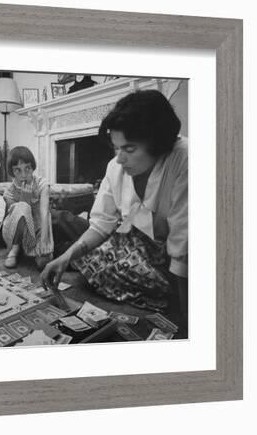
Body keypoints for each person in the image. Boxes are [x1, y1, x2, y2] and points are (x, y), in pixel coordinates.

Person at [41, 90, 188, 316]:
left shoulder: (185, 160)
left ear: (158, 143)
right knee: (90, 261)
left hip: (182, 252)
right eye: (116, 148)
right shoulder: (115, 167)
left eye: (129, 149)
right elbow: (101, 224)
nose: (119, 158)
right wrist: (66, 257)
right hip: (136, 242)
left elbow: (183, 245)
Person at [1, 146, 54, 270]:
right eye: (17, 170)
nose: (24, 174)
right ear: (12, 171)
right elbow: (15, 221)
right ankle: (15, 250)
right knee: (23, 207)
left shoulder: (42, 183)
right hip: (16, 234)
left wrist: (44, 240)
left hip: (37, 228)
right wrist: (24, 201)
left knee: (43, 263)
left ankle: (31, 250)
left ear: (33, 167)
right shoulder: (9, 192)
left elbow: (45, 212)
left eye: (28, 168)